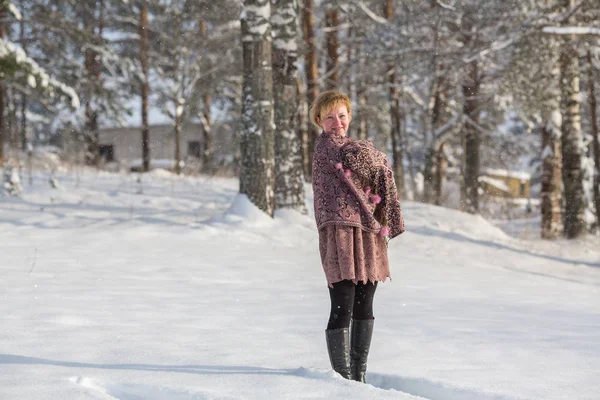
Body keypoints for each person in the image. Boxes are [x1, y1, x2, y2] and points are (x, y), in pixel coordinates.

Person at [310, 91, 405, 383]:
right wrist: (374, 158)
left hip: (368, 233)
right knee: (343, 303)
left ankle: (358, 375)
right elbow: (356, 164)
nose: (337, 122)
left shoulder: (356, 149)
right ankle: (342, 378)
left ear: (349, 117)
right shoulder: (327, 151)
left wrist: (376, 161)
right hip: (340, 235)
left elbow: (375, 168)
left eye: (341, 115)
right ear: (319, 121)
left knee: (365, 304)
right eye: (329, 117)